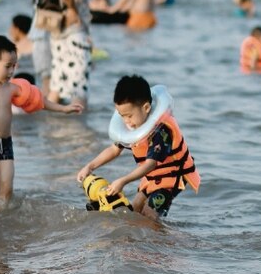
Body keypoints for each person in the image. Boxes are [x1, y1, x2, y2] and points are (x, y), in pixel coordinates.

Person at [0, 36, 82, 206]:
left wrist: (63, 108)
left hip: (5, 143)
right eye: (7, 66)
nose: (11, 72)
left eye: (13, 66)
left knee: (7, 188)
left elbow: (38, 100)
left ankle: (1, 218)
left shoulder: (11, 88)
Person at [76, 75, 200, 219]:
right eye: (122, 116)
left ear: (146, 107)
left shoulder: (160, 131)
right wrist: (90, 166)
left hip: (172, 176)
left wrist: (123, 180)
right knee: (135, 212)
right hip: (152, 178)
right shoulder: (132, 127)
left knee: (149, 215)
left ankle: (169, 240)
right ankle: (147, 240)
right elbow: (114, 150)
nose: (126, 121)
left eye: (129, 116)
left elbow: (150, 164)